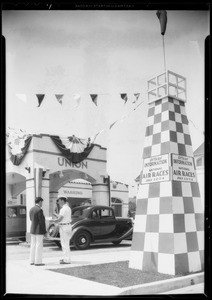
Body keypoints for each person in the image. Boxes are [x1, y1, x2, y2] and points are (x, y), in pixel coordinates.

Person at [52, 196, 72, 264]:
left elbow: (60, 219)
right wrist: (56, 215)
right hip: (68, 226)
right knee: (66, 244)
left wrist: (52, 220)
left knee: (64, 244)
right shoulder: (68, 208)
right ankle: (66, 258)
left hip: (64, 227)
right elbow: (62, 217)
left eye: (59, 201)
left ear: (62, 201)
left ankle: (66, 259)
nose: (58, 202)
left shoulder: (63, 209)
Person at [29, 197, 47, 266]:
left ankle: (32, 261)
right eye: (42, 202)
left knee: (33, 245)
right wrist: (45, 231)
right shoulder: (39, 210)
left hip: (33, 229)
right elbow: (42, 222)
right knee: (38, 246)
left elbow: (31, 219)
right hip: (39, 230)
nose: (42, 203)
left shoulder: (31, 209)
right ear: (39, 202)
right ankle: (38, 262)